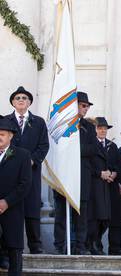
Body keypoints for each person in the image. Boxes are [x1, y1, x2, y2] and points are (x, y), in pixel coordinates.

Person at [4, 86, 49, 254]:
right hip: (10, 173)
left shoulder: (38, 122)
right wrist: (15, 162)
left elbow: (44, 145)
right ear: (13, 103)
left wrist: (32, 160)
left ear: (29, 102)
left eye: (24, 97)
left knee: (32, 208)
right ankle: (9, 247)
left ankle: (35, 245)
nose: (21, 100)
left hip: (32, 171)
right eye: (18, 98)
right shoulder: (5, 122)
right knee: (12, 208)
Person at [54, 91, 98, 255]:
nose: (86, 109)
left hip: (82, 176)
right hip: (63, 174)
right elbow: (57, 146)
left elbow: (93, 148)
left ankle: (80, 245)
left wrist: (73, 149)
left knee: (81, 213)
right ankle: (60, 245)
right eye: (83, 105)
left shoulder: (88, 127)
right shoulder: (63, 124)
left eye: (87, 106)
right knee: (61, 212)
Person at [0, 117, 32, 275]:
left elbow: (25, 184)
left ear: (10, 136)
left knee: (14, 249)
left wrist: (6, 201)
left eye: (2, 134)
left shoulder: (22, 155)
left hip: (13, 208)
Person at [87, 117, 118, 255]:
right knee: (95, 217)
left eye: (105, 128)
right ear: (95, 130)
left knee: (106, 218)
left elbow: (116, 164)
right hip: (95, 185)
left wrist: (113, 173)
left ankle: (97, 241)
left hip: (109, 186)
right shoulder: (91, 144)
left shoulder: (112, 145)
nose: (103, 130)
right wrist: (100, 173)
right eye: (100, 128)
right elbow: (87, 165)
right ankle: (93, 244)